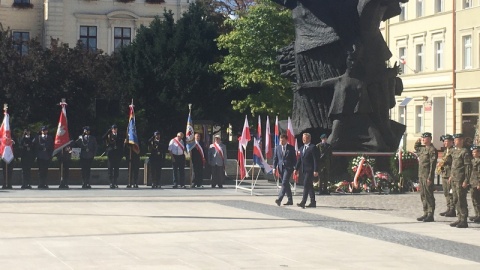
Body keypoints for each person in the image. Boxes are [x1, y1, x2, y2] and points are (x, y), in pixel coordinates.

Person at [449, 133, 472, 228]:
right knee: (456, 199)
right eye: (454, 140)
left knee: (461, 199)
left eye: (456, 140)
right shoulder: (455, 151)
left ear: (461, 140)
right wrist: (451, 176)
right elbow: (454, 165)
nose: (454, 141)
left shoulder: (465, 152)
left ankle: (464, 220)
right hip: (454, 178)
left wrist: (466, 180)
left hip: (461, 179)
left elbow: (468, 167)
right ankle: (459, 218)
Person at [414, 132, 438, 222]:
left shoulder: (432, 150)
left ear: (430, 139)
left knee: (429, 195)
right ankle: (425, 212)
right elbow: (416, 147)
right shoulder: (423, 149)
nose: (423, 140)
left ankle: (430, 214)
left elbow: (432, 165)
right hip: (421, 175)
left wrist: (430, 177)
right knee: (423, 194)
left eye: (425, 138)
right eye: (422, 138)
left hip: (427, 175)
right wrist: (418, 140)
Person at [294, 133, 319, 208]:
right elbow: (299, 160)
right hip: (304, 170)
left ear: (309, 139)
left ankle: (303, 202)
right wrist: (296, 168)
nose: (303, 139)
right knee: (309, 186)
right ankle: (313, 201)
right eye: (303, 138)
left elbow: (315, 160)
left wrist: (316, 170)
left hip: (310, 170)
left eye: (305, 138)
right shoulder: (302, 148)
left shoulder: (313, 147)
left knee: (305, 184)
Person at [273, 134, 297, 206]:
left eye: (283, 140)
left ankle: (279, 199)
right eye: (280, 140)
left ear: (286, 140)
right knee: (286, 184)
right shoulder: (277, 148)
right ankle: (290, 200)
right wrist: (274, 168)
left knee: (284, 182)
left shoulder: (291, 148)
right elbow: (275, 159)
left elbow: (294, 159)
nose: (281, 142)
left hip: (288, 168)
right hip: (281, 168)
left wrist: (295, 168)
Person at [438, 134, 455, 217]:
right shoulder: (445, 151)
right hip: (444, 174)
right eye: (444, 141)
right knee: (446, 192)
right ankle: (448, 208)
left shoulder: (453, 151)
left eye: (447, 141)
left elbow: (454, 165)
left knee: (451, 193)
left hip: (450, 174)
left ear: (452, 142)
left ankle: (452, 209)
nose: (445, 143)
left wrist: (452, 175)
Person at [104, 124, 122, 188]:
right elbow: (103, 138)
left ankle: (115, 182)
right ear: (111, 130)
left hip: (117, 155)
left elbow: (121, 144)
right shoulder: (109, 135)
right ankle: (111, 182)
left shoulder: (119, 136)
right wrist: (108, 132)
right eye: (113, 129)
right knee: (110, 169)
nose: (114, 130)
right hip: (111, 154)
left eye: (115, 129)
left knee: (116, 169)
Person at [469, 146, 480, 223]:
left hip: (477, 183)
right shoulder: (473, 161)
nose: (473, 153)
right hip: (472, 182)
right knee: (474, 199)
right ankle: (477, 214)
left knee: (478, 200)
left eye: (475, 152)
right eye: (472, 152)